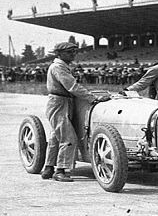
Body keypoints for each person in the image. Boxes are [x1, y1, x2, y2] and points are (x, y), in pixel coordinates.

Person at [42, 42, 110, 182]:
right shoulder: (59, 67)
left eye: (74, 51)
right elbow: (72, 86)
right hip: (59, 103)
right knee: (68, 138)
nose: (73, 54)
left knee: (56, 136)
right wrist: (93, 98)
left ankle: (48, 168)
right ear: (59, 54)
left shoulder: (62, 66)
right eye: (69, 52)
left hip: (63, 102)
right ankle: (60, 170)